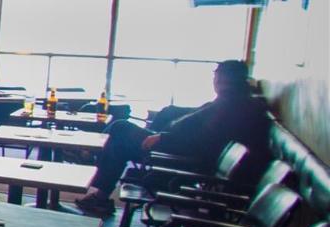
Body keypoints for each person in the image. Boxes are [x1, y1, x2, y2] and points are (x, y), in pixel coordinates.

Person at [72, 60, 271, 216]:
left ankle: (92, 165)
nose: (215, 82)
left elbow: (204, 141)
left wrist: (164, 138)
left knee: (120, 128)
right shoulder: (233, 101)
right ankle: (97, 179)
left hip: (176, 155)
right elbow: (202, 123)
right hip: (176, 148)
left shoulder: (230, 105)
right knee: (121, 138)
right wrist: (171, 115)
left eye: (217, 77)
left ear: (225, 79)